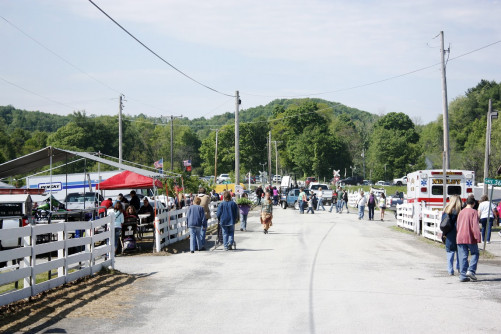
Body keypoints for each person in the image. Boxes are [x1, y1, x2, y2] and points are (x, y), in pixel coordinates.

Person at [456, 196, 482, 282]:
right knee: (475, 253)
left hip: (460, 236)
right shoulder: (474, 212)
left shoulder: (461, 212)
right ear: (473, 204)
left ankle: (463, 275)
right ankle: (471, 270)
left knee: (463, 256)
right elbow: (475, 226)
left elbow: (458, 225)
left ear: (466, 203)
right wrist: (478, 237)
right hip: (470, 236)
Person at [442, 195, 462, 276]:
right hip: (459, 232)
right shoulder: (461, 210)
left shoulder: (447, 210)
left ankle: (450, 270)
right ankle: (459, 268)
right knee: (459, 251)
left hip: (450, 233)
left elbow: (443, 223)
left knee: (450, 252)